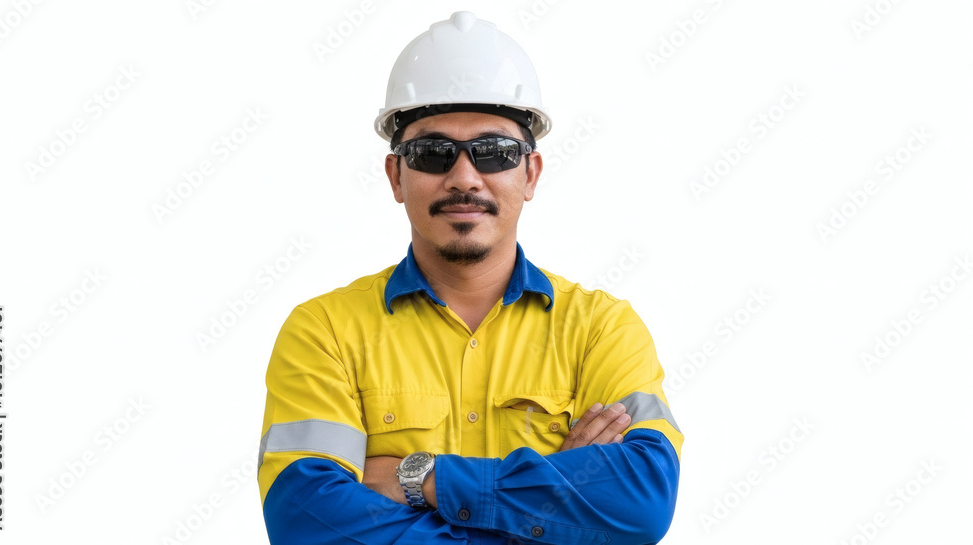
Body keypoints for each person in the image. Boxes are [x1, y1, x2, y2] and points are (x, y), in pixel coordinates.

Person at [257, 11, 682, 544]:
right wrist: (546, 509)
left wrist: (416, 477)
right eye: (432, 153)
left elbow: (640, 502)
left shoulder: (601, 329)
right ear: (396, 175)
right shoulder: (325, 332)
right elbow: (306, 522)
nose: (463, 177)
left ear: (530, 174)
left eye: (494, 153)